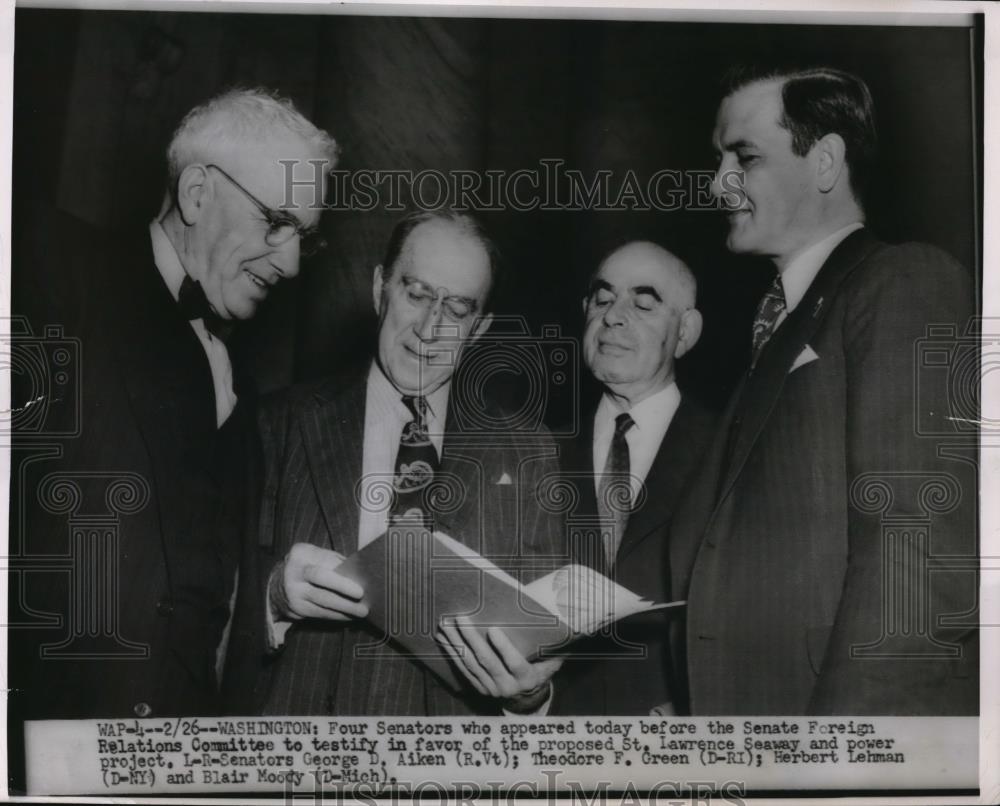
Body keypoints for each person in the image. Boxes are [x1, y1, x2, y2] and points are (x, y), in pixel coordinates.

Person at [8, 88, 338, 732]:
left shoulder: (240, 383)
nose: (293, 261)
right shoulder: (45, 265)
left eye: (304, 237)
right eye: (276, 220)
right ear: (196, 193)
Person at [669, 66, 977, 715]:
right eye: (717, 158)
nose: (718, 182)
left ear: (826, 162)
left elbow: (914, 563)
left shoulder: (902, 282)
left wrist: (842, 761)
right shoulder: (777, 324)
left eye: (744, 157)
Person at [233, 210, 565, 716]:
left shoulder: (528, 453)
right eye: (416, 294)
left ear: (478, 330)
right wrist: (272, 599)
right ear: (378, 289)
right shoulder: (275, 424)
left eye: (456, 309)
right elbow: (209, 608)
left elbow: (540, 655)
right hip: (297, 765)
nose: (430, 328)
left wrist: (529, 695)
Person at [551, 241, 716, 716]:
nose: (614, 316)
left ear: (685, 332)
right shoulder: (531, 448)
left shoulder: (733, 451)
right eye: (602, 299)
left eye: (643, 304)